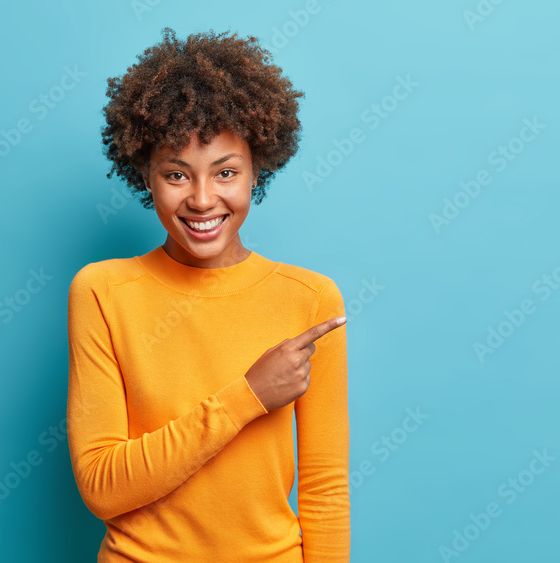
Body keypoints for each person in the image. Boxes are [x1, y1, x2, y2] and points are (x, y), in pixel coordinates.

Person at [65, 27, 350, 561]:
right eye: (176, 174)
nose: (201, 199)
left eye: (225, 172)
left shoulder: (310, 299)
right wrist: (247, 397)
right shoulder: (103, 292)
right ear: (144, 175)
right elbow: (103, 487)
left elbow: (325, 491)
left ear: (255, 170)